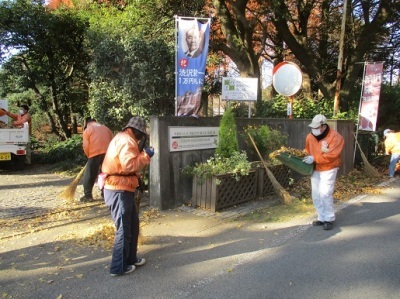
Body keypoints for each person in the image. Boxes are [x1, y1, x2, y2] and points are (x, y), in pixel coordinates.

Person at [101, 116, 154, 277]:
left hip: (123, 188)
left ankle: (131, 258)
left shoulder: (125, 138)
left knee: (132, 226)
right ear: (135, 130)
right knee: (124, 229)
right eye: (142, 134)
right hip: (118, 190)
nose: (141, 138)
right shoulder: (127, 141)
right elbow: (129, 165)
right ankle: (118, 267)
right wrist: (146, 156)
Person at [302, 114, 345, 231]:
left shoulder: (336, 137)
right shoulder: (310, 137)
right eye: (313, 127)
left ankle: (329, 218)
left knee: (325, 193)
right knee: (315, 194)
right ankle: (321, 217)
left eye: (316, 127)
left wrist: (314, 158)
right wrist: (304, 155)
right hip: (315, 168)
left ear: (324, 126)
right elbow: (307, 149)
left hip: (329, 167)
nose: (314, 130)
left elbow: (332, 155)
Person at [80, 118, 114, 202]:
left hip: (94, 153)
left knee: (89, 174)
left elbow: (86, 146)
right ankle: (105, 194)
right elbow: (113, 141)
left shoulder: (88, 129)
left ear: (87, 123)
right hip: (108, 154)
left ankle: (88, 196)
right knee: (105, 174)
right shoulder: (106, 128)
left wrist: (89, 156)